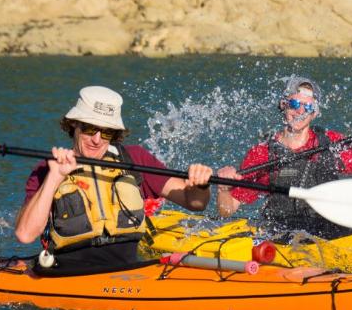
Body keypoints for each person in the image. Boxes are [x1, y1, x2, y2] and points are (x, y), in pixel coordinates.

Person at [14, 85, 214, 274]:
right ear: (74, 124)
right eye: (90, 128)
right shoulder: (47, 168)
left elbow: (195, 202)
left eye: (107, 131)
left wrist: (201, 185)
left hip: (128, 271)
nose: (97, 139)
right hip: (68, 274)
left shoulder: (134, 158)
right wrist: (55, 177)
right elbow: (25, 234)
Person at [215, 76, 352, 240]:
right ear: (283, 105)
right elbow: (227, 210)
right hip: (282, 235)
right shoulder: (262, 153)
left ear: (315, 113)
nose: (300, 111)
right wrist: (223, 188)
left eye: (308, 107)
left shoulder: (328, 142)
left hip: (325, 234)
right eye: (295, 104)